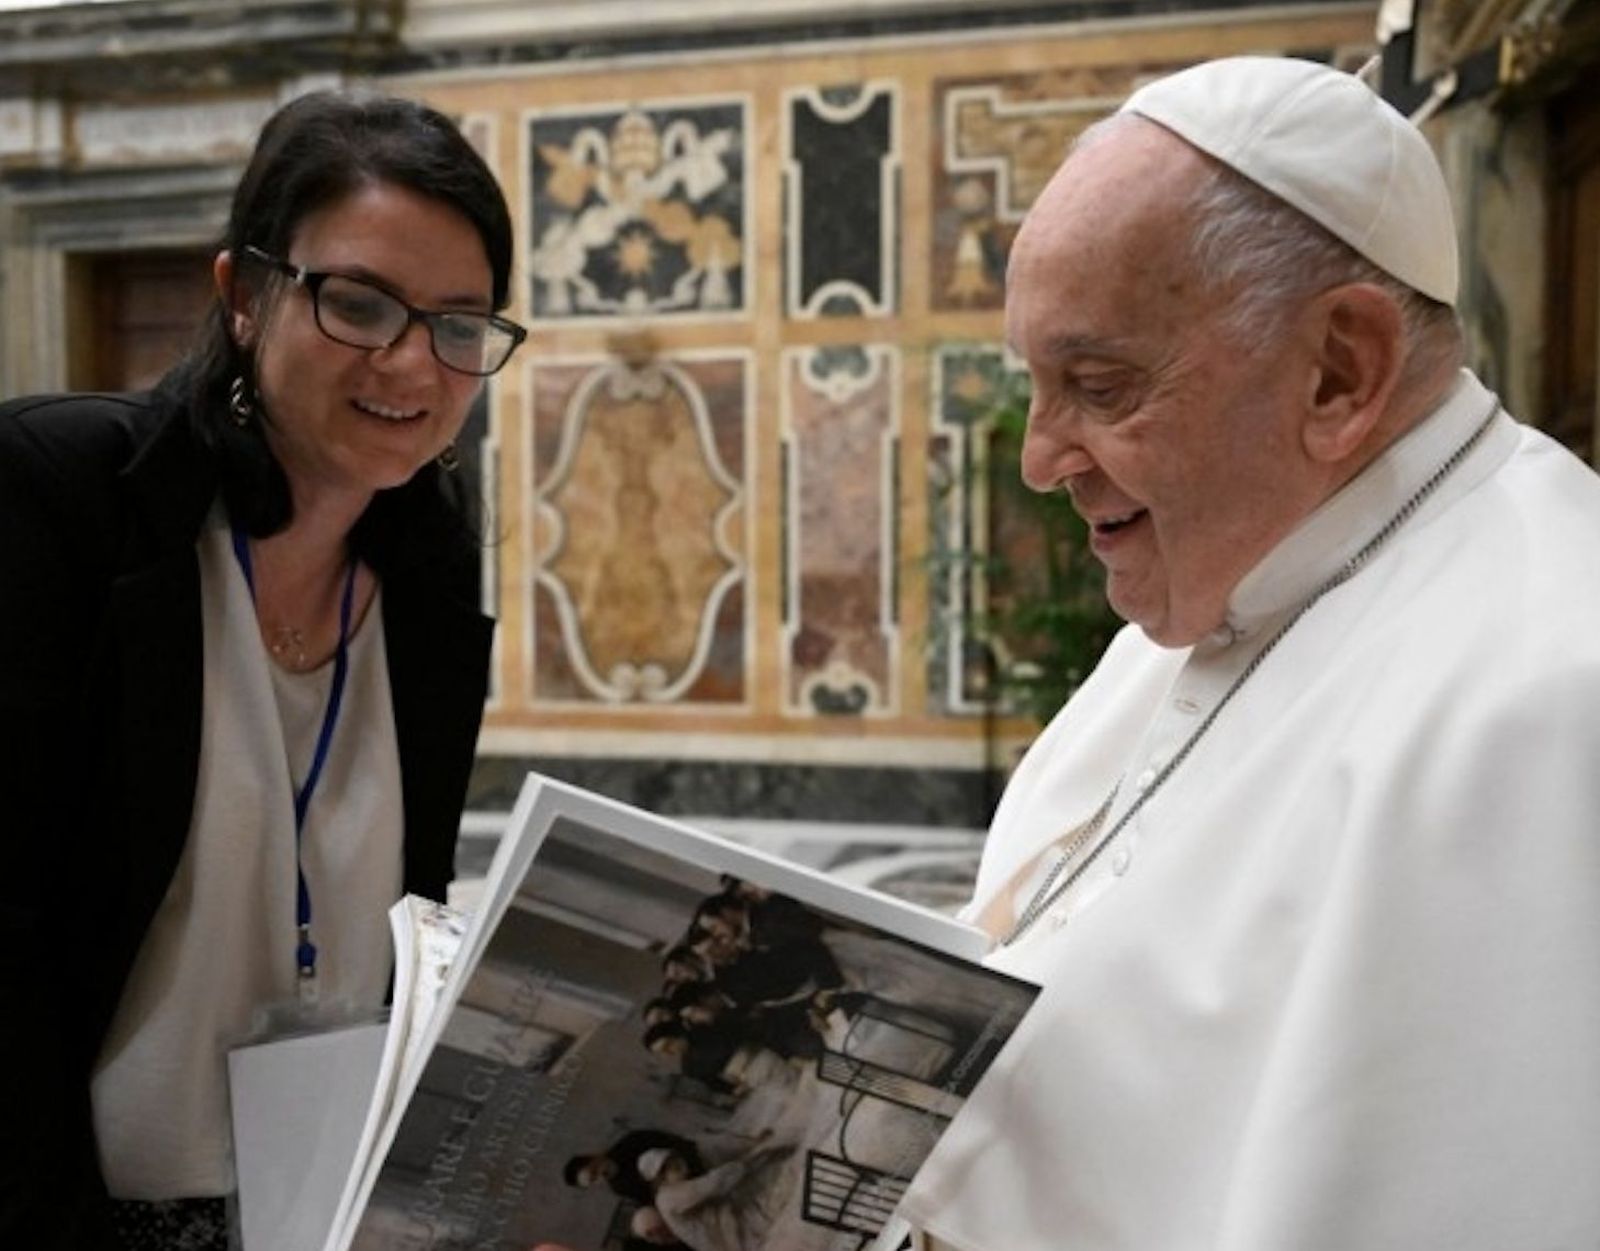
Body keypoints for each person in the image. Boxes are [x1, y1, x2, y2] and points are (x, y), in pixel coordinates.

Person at [900, 55, 1600, 1250]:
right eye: (1037, 385)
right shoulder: (1239, 567)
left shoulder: (1548, 699)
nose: (1039, 456)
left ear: (1339, 371)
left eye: (1098, 384)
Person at [0, 91, 525, 1249]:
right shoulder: (56, 498)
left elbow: (405, 933)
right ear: (243, 295)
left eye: (458, 322)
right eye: (358, 303)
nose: (409, 361)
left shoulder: (431, 588)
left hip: (317, 1210)